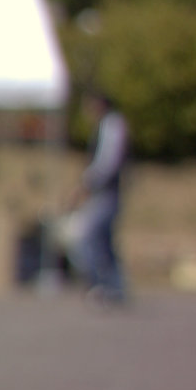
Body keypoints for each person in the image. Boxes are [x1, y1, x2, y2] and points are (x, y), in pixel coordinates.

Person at [70, 91, 129, 304]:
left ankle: (103, 285)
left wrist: (87, 183)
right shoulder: (108, 125)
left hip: (106, 192)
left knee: (89, 237)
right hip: (104, 191)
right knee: (104, 240)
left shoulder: (112, 124)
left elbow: (107, 162)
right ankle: (115, 286)